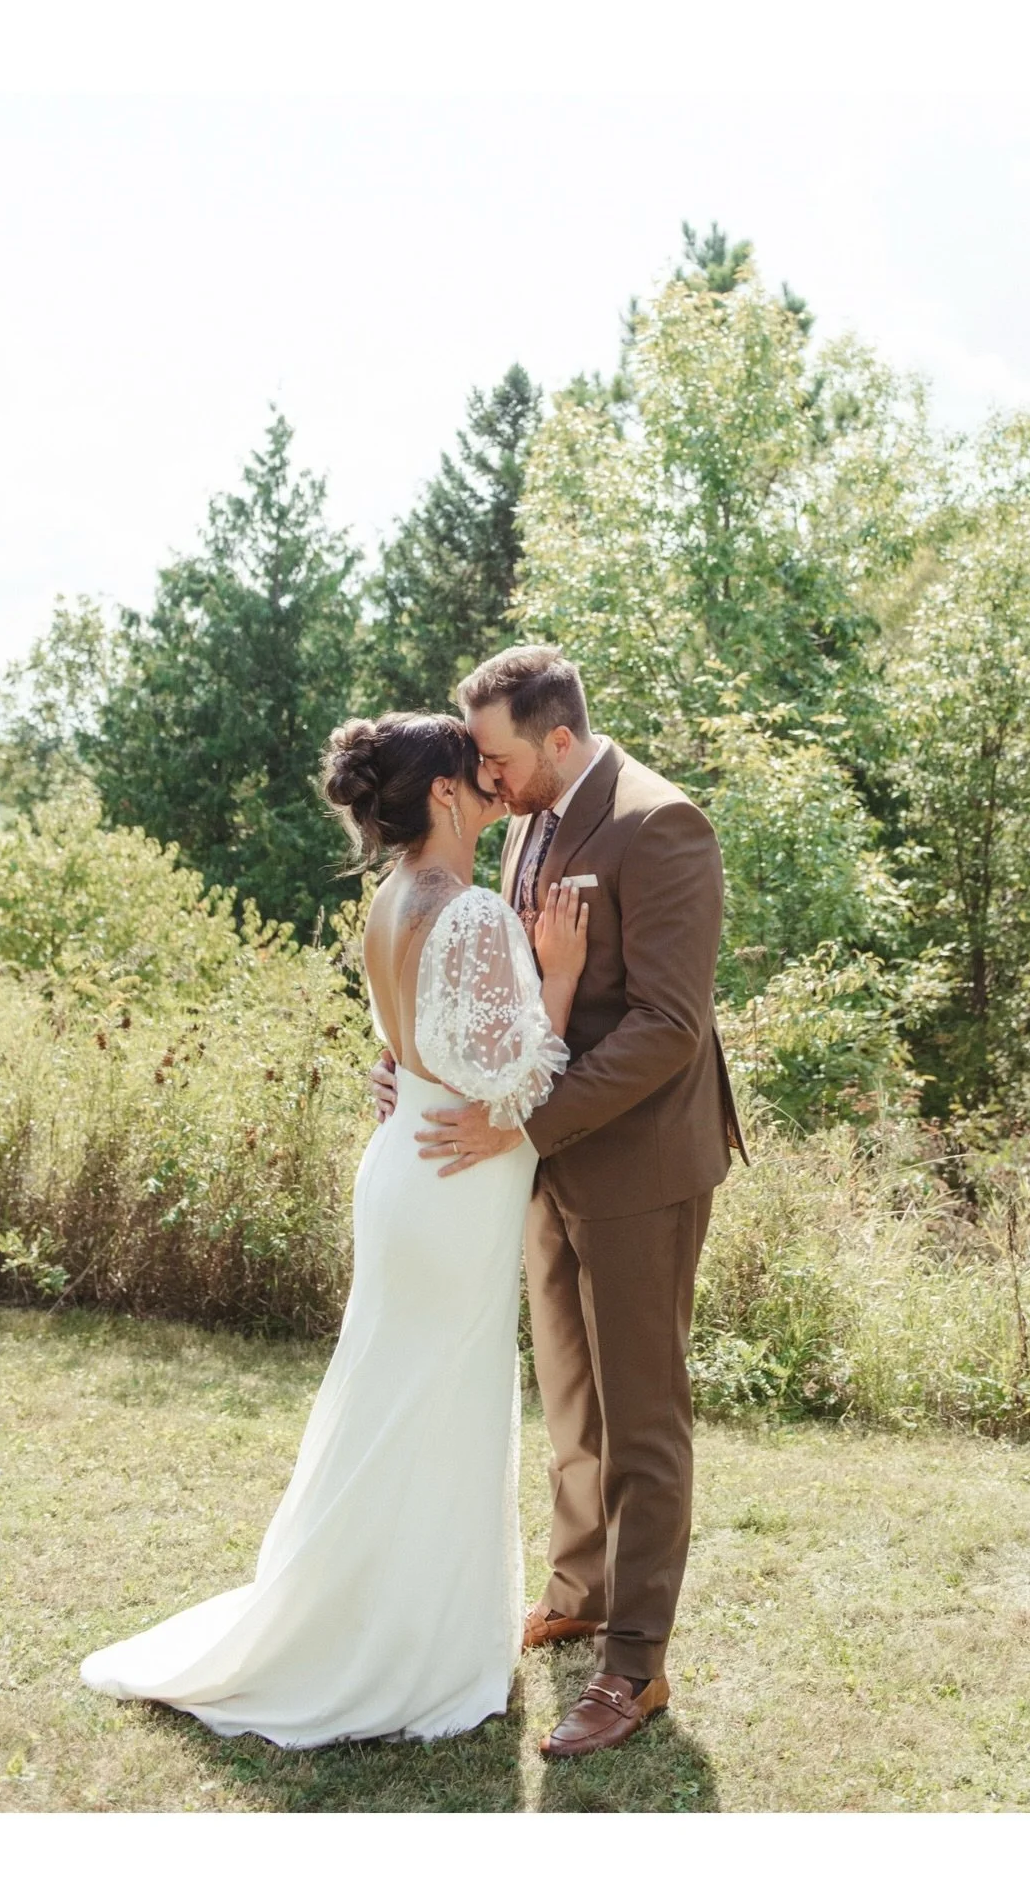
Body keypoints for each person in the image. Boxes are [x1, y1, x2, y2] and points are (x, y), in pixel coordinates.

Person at [80, 711, 590, 1748]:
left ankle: (374, 1618)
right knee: (431, 1406)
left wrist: (419, 1073)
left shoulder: (390, 902)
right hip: (451, 1189)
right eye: (475, 767)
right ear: (445, 793)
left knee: (394, 1401)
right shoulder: (477, 914)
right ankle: (407, 1652)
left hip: (409, 1166)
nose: (493, 778)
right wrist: (564, 972)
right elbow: (518, 1075)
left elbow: (421, 1050)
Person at [373, 645, 747, 1759]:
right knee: (573, 1404)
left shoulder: (662, 825)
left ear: (560, 744)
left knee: (643, 1417)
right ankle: (578, 1591)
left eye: (496, 755)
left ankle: (632, 1667)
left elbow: (670, 1028)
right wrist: (430, 1067)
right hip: (534, 1161)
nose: (486, 778)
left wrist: (527, 1122)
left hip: (636, 1169)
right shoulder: (536, 812)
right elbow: (510, 990)